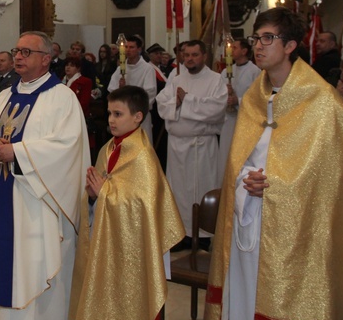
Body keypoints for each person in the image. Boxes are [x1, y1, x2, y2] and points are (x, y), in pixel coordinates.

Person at [205, 7, 343, 320]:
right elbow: (243, 157)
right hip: (249, 213)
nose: (258, 46)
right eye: (256, 38)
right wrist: (245, 179)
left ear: (290, 46)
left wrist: (276, 186)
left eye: (268, 38)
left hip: (299, 226)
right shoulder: (253, 99)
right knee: (247, 303)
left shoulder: (322, 100)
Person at [0, 31, 89, 320]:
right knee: (5, 276)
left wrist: (18, 153)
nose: (18, 56)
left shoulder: (62, 99)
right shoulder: (4, 96)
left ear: (47, 59)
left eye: (26, 51)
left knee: (35, 277)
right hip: (4, 203)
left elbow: (67, 148)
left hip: (39, 209)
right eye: (16, 50)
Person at [69, 86, 184, 320]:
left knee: (128, 300)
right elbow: (102, 191)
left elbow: (142, 205)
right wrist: (91, 195)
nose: (111, 119)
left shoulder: (143, 155)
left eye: (118, 114)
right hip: (106, 238)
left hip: (133, 249)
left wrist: (105, 193)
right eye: (110, 113)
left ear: (138, 117)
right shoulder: (108, 148)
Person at [156, 40, 226, 251]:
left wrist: (187, 100)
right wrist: (176, 103)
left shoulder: (216, 80)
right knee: (179, 191)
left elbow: (216, 108)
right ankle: (180, 234)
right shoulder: (176, 78)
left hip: (201, 145)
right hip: (177, 145)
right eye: (186, 55)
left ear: (204, 55)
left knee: (201, 189)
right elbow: (162, 104)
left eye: (195, 54)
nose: (190, 59)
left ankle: (202, 236)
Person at [217, 38, 261, 171]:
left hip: (244, 120)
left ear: (244, 51)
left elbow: (257, 97)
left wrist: (238, 101)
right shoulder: (225, 72)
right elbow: (218, 93)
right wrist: (225, 93)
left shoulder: (255, 71)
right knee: (225, 155)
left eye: (234, 48)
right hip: (228, 120)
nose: (230, 51)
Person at [108, 36, 158, 142]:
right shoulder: (120, 69)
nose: (128, 50)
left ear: (139, 49)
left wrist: (128, 95)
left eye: (132, 47)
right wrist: (120, 89)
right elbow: (112, 91)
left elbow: (150, 93)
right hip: (122, 116)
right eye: (126, 47)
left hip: (139, 115)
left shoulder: (147, 69)